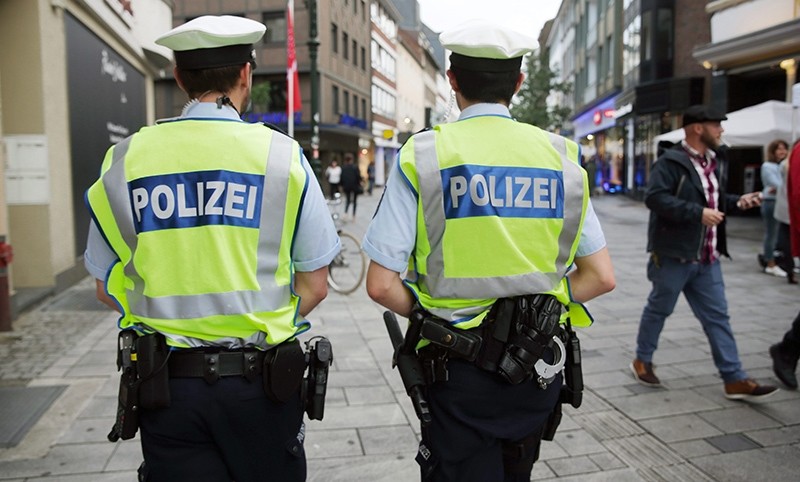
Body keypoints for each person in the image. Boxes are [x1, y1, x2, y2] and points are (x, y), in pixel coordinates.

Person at [83, 16, 339, 482]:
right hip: (260, 387)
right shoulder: (281, 156)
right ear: (246, 74)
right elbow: (315, 285)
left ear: (179, 78)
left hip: (167, 387)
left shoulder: (123, 160)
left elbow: (105, 287)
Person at [362, 21, 616, 481]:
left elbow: (381, 285)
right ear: (518, 83)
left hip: (455, 371)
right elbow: (600, 277)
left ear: (452, 81)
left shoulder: (424, 155)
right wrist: (539, 308)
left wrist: (432, 318)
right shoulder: (561, 156)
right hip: (535, 365)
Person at [630, 104, 778, 402]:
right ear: (698, 128)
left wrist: (738, 201)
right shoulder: (670, 162)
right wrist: (697, 213)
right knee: (659, 309)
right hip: (673, 256)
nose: (721, 130)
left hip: (708, 258)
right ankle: (642, 360)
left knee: (717, 318)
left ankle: (734, 378)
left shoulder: (715, 160)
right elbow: (655, 198)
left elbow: (715, 199)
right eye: (716, 125)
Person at [759, 139, 789, 277]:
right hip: (771, 202)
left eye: (784, 148)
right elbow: (775, 184)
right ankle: (770, 263)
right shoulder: (768, 166)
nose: (782, 151)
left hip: (781, 201)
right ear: (773, 151)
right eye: (779, 149)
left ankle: (777, 260)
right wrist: (783, 188)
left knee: (779, 235)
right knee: (772, 234)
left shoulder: (783, 165)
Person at [772, 141, 796, 284]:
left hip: (784, 208)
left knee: (786, 240)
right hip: (791, 207)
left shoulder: (784, 165)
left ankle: (789, 269)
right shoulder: (790, 164)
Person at [340, 154, 362, 219]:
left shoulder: (343, 168)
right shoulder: (355, 167)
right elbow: (358, 177)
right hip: (355, 186)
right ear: (352, 159)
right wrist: (359, 183)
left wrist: (342, 185)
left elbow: (341, 178)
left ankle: (345, 213)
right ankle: (353, 215)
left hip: (347, 186)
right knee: (355, 201)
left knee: (348, 200)